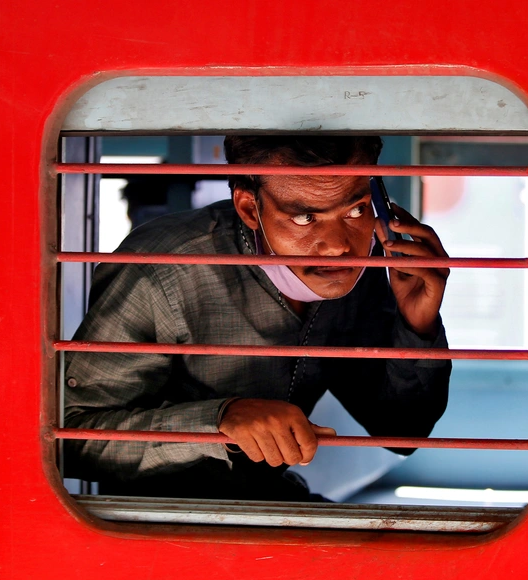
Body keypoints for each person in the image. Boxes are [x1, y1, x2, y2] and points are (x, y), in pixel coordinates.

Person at [63, 136, 452, 501]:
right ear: (250, 208)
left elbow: (404, 433)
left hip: (274, 502)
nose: (338, 246)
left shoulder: (363, 265)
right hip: (152, 524)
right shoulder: (162, 270)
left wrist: (417, 326)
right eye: (304, 218)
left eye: (355, 209)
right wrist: (218, 421)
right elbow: (71, 439)